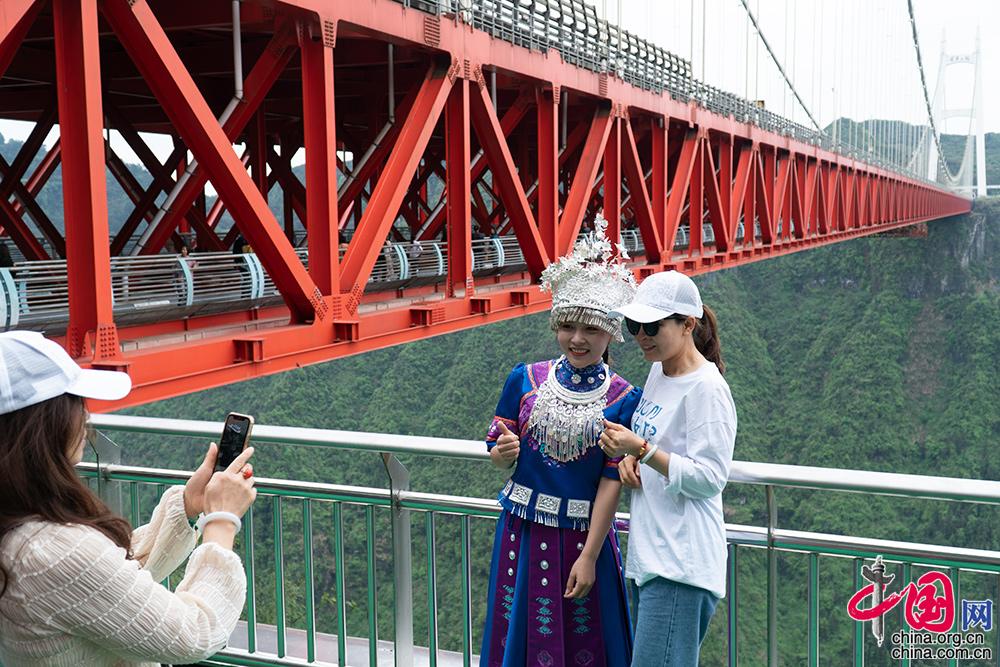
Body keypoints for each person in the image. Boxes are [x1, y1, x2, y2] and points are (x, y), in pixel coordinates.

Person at [0, 330, 257, 666]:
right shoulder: (49, 553)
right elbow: (194, 633)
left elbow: (106, 585)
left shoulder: (21, 530)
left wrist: (188, 508)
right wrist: (221, 521)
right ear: (47, 425)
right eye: (78, 404)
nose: (87, 418)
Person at [480, 213, 642, 667]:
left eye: (591, 329)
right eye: (568, 326)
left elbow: (611, 482)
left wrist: (591, 556)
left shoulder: (625, 398)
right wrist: (500, 454)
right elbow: (497, 444)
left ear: (611, 332)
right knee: (520, 637)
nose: (577, 339)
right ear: (555, 326)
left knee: (585, 644)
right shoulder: (524, 379)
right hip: (522, 533)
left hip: (583, 538)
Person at [600, 271, 737, 667]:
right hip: (653, 556)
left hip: (681, 566)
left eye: (653, 326)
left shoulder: (707, 389)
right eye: (634, 325)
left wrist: (640, 449)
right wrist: (632, 458)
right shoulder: (660, 369)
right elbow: (655, 442)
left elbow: (711, 477)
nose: (641, 335)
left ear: (688, 325)